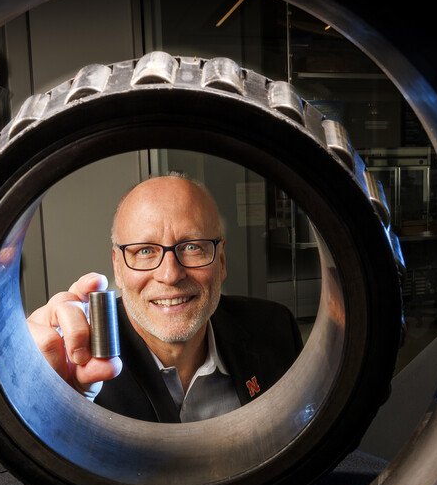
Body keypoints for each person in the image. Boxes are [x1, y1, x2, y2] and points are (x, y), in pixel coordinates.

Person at [26, 173, 303, 422]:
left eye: (192, 246)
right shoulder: (74, 360)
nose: (170, 274)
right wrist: (24, 394)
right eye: (145, 251)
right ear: (117, 268)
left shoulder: (275, 330)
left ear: (221, 260)